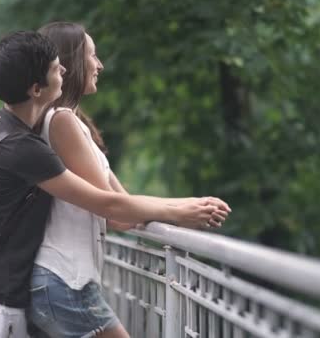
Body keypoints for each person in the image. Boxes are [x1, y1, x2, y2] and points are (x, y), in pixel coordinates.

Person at [0, 30, 227, 338]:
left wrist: (182, 205)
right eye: (56, 67)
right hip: (0, 301)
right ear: (37, 88)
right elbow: (107, 205)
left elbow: (114, 203)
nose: (64, 69)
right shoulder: (22, 147)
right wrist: (178, 212)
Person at [25, 22, 231, 338]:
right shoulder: (61, 122)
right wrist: (180, 212)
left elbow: (123, 207)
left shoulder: (75, 124)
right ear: (70, 65)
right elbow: (116, 211)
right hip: (63, 280)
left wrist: (190, 205)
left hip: (66, 281)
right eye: (92, 56)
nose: (99, 65)